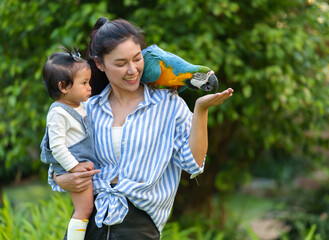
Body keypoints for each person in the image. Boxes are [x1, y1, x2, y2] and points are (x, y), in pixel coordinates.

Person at [48, 17, 234, 239]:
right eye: (120, 63)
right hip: (90, 224)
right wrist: (61, 178)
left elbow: (192, 163)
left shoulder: (168, 104)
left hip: (138, 227)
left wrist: (200, 111)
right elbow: (59, 157)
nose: (132, 70)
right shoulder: (87, 110)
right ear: (100, 64)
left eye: (137, 59)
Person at [40, 48, 97, 240]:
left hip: (81, 163)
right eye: (84, 83)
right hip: (72, 167)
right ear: (63, 86)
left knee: (87, 207)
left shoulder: (80, 105)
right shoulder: (58, 113)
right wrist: (74, 167)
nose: (89, 87)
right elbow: (57, 147)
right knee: (84, 209)